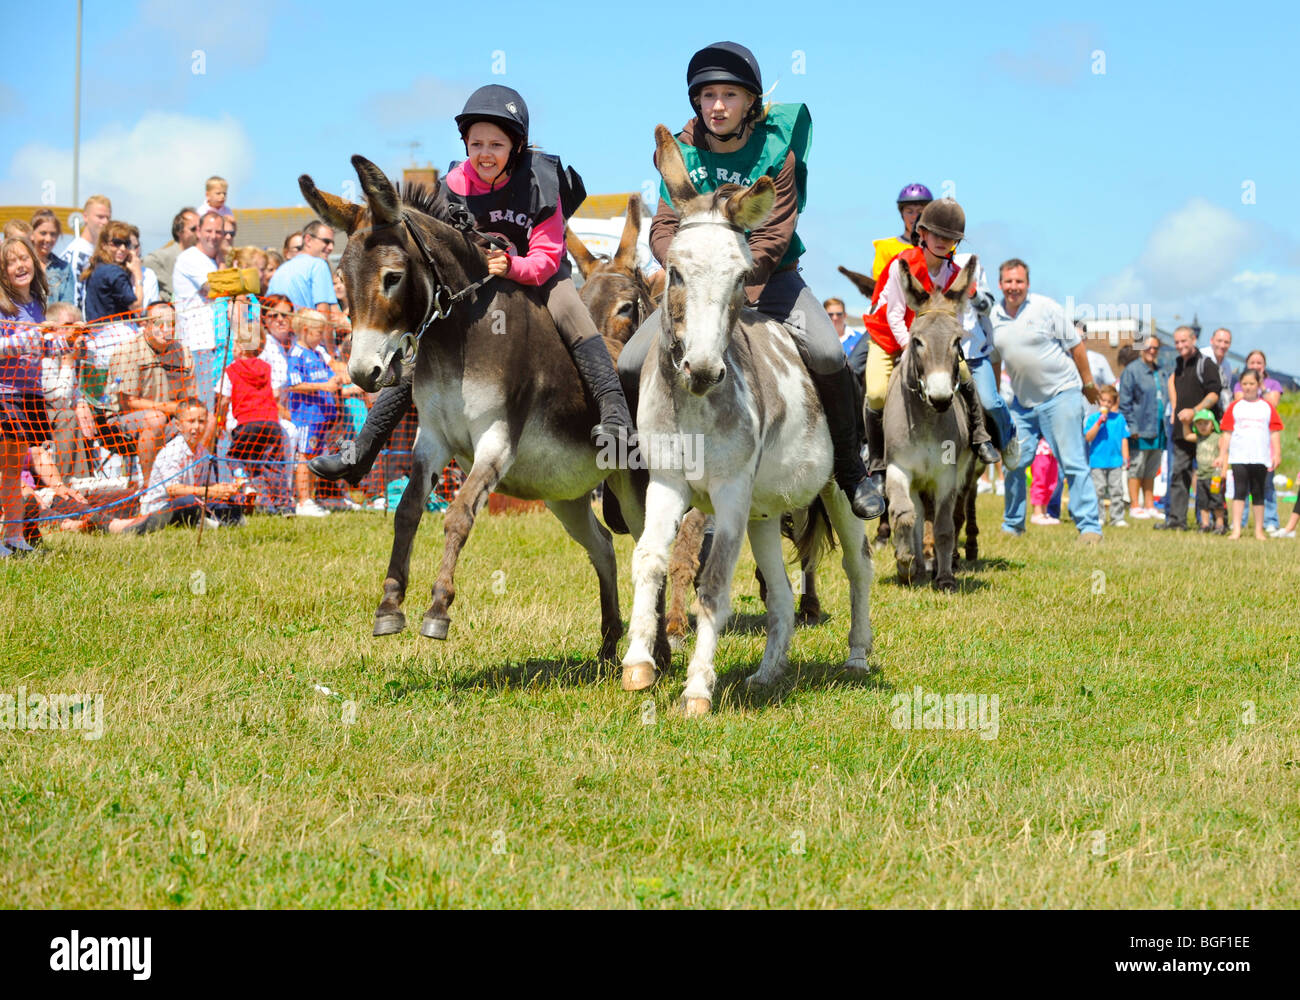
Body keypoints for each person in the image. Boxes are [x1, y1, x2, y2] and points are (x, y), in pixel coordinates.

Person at [311, 83, 639, 491]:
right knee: (425, 349)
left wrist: (513, 266)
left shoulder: (542, 180)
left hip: (541, 277)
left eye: (496, 144)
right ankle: (361, 449)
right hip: (479, 287)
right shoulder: (452, 185)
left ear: (516, 147)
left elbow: (547, 255)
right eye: (476, 143)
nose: (485, 153)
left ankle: (617, 422)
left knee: (575, 317)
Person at [859, 198, 1004, 486]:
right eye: (937, 235)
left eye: (950, 238)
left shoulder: (952, 274)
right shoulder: (902, 265)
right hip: (889, 338)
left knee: (964, 375)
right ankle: (876, 464)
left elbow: (955, 318)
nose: (943, 242)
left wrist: (950, 344)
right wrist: (907, 351)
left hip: (929, 344)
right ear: (922, 234)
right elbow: (896, 315)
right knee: (875, 392)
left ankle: (979, 436)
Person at [988, 258, 1102, 540]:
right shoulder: (993, 318)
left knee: (1073, 461)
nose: (1014, 287)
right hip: (1021, 404)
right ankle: (1012, 525)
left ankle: (1089, 527)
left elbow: (1076, 346)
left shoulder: (1046, 308)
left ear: (1027, 283)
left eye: (1019, 281)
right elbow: (994, 361)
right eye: (1009, 282)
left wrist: (1088, 383)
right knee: (1013, 462)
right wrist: (993, 399)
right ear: (1000, 284)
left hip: (1060, 394)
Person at [111, 398, 244, 534]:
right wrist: (208, 492)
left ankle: (224, 522)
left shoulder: (202, 452)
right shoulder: (172, 451)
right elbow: (173, 490)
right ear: (179, 426)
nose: (197, 427)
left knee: (230, 502)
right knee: (189, 502)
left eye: (201, 422)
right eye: (191, 421)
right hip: (163, 507)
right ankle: (206, 522)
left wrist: (223, 489)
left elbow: (207, 486)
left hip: (194, 500)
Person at [98, 301, 196, 485]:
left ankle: (193, 486)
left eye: (172, 325)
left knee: (205, 420)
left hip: (170, 417)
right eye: (160, 325)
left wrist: (189, 413)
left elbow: (189, 399)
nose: (167, 330)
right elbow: (127, 402)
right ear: (146, 326)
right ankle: (151, 487)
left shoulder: (183, 353)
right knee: (155, 418)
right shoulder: (127, 351)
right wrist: (168, 408)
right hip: (123, 420)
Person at [0, 235, 56, 555]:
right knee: (3, 468)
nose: (20, 265)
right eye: (11, 261)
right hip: (5, 395)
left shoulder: (36, 304)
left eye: (25, 258)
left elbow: (41, 346)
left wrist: (57, 340)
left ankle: (14, 535)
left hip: (29, 394)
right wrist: (22, 342)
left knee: (12, 470)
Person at [214, 303, 291, 514]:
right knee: (274, 465)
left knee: (234, 456)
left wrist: (220, 421)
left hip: (247, 423)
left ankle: (246, 484)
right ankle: (284, 506)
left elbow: (223, 400)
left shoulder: (231, 370)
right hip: (271, 424)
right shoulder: (266, 368)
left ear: (238, 345)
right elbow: (275, 394)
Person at [1157, 325, 1221, 530]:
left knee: (1209, 475)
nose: (1180, 346)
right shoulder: (1178, 364)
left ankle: (1214, 521)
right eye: (1176, 342)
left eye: (1184, 341)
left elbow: (1214, 394)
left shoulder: (1206, 364)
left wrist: (1195, 411)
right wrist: (1176, 407)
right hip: (1181, 429)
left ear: (1193, 339)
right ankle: (1176, 520)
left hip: (1205, 431)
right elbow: (1173, 382)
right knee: (1179, 473)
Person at [287, 308, 341, 516]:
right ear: (306, 330)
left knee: (315, 457)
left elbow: (328, 376)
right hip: (306, 417)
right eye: (319, 333)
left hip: (321, 417)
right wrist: (324, 387)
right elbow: (293, 384)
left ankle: (311, 497)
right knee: (305, 456)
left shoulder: (317, 353)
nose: (321, 337)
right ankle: (303, 500)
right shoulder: (297, 354)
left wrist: (335, 380)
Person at [1219, 369, 1281, 541]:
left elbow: (1274, 431)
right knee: (1239, 492)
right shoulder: (1235, 406)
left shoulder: (1266, 407)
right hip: (1239, 456)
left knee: (1259, 492)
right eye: (1244, 384)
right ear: (1240, 385)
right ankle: (1237, 528)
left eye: (1251, 383)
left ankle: (1259, 530)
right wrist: (1222, 455)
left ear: (1258, 385)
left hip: (1260, 456)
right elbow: (1227, 433)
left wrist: (1277, 453)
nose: (1248, 387)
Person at [172, 211, 225, 405]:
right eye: (209, 230)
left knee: (218, 406)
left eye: (218, 231)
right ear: (199, 231)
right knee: (203, 406)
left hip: (217, 343)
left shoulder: (215, 260)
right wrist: (224, 266)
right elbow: (215, 289)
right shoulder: (190, 258)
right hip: (197, 343)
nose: (213, 236)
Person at [1231, 349, 1283, 531]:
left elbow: (1273, 403)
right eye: (1252, 363)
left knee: (1265, 485)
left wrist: (1260, 387)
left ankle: (1270, 521)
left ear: (1264, 365)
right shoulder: (1241, 385)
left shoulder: (1273, 384)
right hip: (1243, 447)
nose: (1255, 366)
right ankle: (1241, 521)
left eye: (1259, 363)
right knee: (1241, 487)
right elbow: (1240, 399)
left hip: (1263, 445)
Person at [1118, 334, 1164, 518]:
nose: (1151, 351)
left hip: (1157, 428)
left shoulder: (1160, 371)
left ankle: (1149, 504)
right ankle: (1135, 505)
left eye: (1155, 348)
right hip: (1140, 428)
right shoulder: (1132, 371)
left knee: (1151, 470)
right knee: (1137, 467)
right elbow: (1125, 403)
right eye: (1147, 348)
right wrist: (1132, 427)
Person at [1084, 384, 1131, 527]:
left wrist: (1126, 456)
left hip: (1115, 461)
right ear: (1099, 401)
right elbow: (1088, 437)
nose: (1105, 404)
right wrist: (1099, 422)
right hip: (1097, 461)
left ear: (1113, 403)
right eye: (1103, 400)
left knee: (1117, 490)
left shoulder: (1119, 419)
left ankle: (1117, 518)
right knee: (1098, 490)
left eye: (1109, 401)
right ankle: (1098, 517)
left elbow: (1124, 438)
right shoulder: (1093, 419)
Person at [266, 221, 337, 311]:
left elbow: (268, 310)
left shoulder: (281, 269)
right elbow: (323, 312)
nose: (331, 247)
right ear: (308, 240)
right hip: (307, 325)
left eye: (332, 243)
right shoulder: (319, 265)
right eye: (326, 241)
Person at [82, 221, 144, 322]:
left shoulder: (96, 267)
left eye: (126, 244)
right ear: (104, 245)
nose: (123, 248)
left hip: (98, 332)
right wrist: (138, 274)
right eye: (116, 243)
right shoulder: (114, 272)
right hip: (117, 331)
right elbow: (136, 306)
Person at [59, 195, 112, 312]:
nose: (105, 222)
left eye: (108, 218)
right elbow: (73, 295)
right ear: (85, 217)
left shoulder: (102, 252)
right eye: (100, 217)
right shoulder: (77, 252)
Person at [871, 183, 932, 280]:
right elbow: (879, 286)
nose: (914, 216)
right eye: (909, 211)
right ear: (902, 213)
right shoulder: (885, 248)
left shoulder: (939, 247)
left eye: (920, 212)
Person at [143, 208, 200, 303]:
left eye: (200, 228)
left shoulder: (202, 257)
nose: (198, 233)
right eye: (193, 229)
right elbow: (145, 263)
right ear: (179, 231)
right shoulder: (162, 257)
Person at [29, 210, 76, 306]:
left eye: (53, 234)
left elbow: (67, 306)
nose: (48, 239)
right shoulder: (23, 265)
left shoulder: (64, 269)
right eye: (43, 233)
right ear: (32, 235)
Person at [1191, 409, 1226, 534]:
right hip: (1201, 476)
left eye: (1206, 423)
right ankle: (1205, 524)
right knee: (1203, 502)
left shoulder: (1217, 437)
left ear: (1213, 424)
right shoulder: (1199, 438)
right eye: (1199, 423)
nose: (1203, 426)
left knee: (1216, 501)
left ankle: (1219, 525)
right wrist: (1185, 423)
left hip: (1214, 476)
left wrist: (1224, 469)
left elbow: (1224, 452)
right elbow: (1186, 436)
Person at [1203, 327, 1235, 410]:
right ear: (1211, 341)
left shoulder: (1227, 365)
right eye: (1219, 341)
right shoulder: (1201, 356)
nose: (1222, 345)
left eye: (1226, 342)